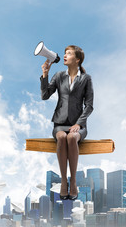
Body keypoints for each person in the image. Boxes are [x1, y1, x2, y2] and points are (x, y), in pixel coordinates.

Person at [40, 45, 94, 200]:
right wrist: (45, 75)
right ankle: (64, 181)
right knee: (62, 137)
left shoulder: (86, 78)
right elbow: (45, 95)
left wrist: (79, 123)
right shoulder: (58, 76)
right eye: (64, 53)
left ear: (77, 59)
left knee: (71, 137)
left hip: (78, 125)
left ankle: (74, 181)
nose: (64, 56)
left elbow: (89, 105)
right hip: (60, 124)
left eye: (68, 54)